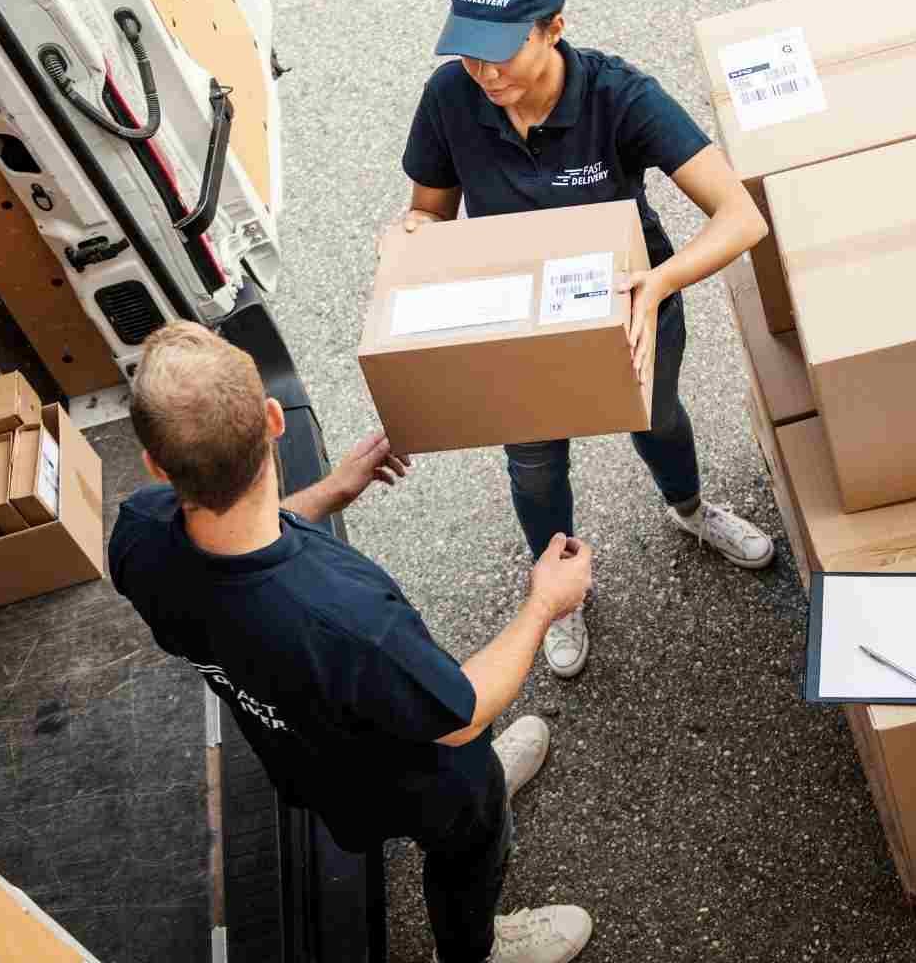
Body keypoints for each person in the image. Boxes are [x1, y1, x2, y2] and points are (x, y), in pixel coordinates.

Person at [109, 322, 596, 963]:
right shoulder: (348, 619)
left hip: (313, 763)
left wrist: (334, 490)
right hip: (426, 776)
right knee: (473, 836)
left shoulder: (137, 534)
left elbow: (237, 538)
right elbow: (461, 714)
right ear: (275, 420)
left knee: (442, 783)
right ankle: (476, 947)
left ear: (156, 463)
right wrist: (543, 605)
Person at [399, 0, 775, 680]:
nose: (483, 69)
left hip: (633, 306)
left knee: (658, 416)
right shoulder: (449, 98)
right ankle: (558, 595)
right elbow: (431, 212)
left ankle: (690, 509)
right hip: (519, 329)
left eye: (503, 48)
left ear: (556, 28)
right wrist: (413, 235)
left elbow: (742, 216)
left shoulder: (618, 95)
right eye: (469, 47)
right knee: (535, 467)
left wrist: (658, 284)